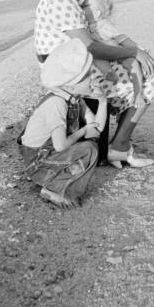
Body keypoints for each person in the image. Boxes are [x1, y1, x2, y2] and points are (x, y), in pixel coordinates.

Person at [34, 0, 154, 169]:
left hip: (75, 66)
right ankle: (118, 148)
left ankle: (116, 143)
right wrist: (133, 52)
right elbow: (89, 46)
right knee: (151, 78)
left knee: (137, 66)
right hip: (69, 75)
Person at [19, 39, 107, 209]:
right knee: (88, 149)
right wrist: (83, 131)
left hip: (49, 154)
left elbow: (96, 129)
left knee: (91, 147)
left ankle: (55, 182)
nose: (93, 78)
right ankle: (54, 188)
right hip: (38, 161)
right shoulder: (57, 103)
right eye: (87, 75)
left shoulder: (74, 98)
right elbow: (60, 145)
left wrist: (103, 101)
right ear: (71, 84)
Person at [81, 0, 154, 112]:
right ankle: (115, 94)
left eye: (85, 6)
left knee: (133, 64)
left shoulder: (105, 26)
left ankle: (138, 93)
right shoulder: (85, 26)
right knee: (98, 60)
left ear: (96, 13)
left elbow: (122, 40)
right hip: (105, 55)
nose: (81, 8)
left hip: (119, 52)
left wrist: (136, 51)